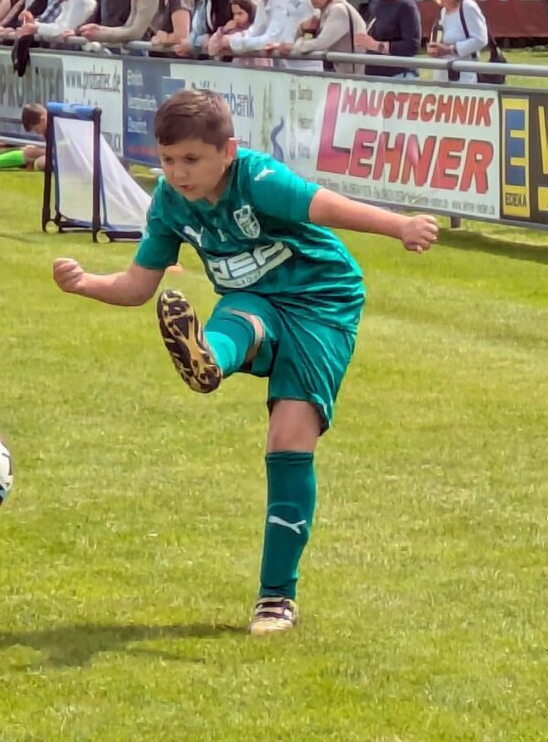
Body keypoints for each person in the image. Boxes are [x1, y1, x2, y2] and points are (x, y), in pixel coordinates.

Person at [52, 89, 439, 635]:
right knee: (242, 315)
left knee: (287, 439)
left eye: (191, 159)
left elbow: (322, 204)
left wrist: (398, 226)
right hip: (253, 299)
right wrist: (85, 283)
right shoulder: (168, 202)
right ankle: (208, 359)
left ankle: (276, 598)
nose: (178, 172)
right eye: (167, 159)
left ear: (227, 150)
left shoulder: (256, 178)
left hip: (320, 302)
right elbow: (139, 286)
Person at [274, 0, 366, 75]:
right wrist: (302, 29)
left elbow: (321, 43)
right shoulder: (321, 11)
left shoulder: (338, 10)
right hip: (342, 73)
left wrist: (294, 47)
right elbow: (310, 38)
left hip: (353, 75)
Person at [427, 0, 489, 85]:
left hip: (464, 78)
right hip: (441, 77)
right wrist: (434, 49)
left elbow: (481, 39)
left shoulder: (467, 6)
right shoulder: (442, 11)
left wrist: (450, 49)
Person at [0, 104, 47, 171]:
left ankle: (28, 164)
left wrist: (40, 151)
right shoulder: (46, 126)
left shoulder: (56, 123)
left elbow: (58, 151)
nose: (37, 133)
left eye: (36, 129)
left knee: (40, 162)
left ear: (42, 119)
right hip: (53, 154)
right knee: (29, 152)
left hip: (58, 158)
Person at [207, 0, 270, 67]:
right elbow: (212, 49)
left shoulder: (259, 29)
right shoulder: (233, 30)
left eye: (240, 13)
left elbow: (249, 39)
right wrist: (222, 31)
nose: (236, 18)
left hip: (259, 70)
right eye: (234, 14)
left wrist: (229, 41)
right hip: (239, 71)